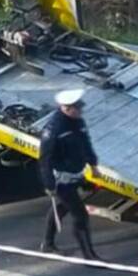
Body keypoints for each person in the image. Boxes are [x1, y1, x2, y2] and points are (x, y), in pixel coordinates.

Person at [39, 88, 101, 260]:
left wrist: (93, 165)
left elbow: (85, 143)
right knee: (80, 215)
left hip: (75, 174)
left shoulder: (78, 122)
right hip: (61, 180)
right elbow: (45, 159)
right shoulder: (53, 129)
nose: (81, 111)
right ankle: (89, 256)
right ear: (66, 108)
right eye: (77, 108)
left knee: (61, 207)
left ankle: (47, 243)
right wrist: (49, 184)